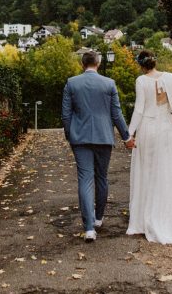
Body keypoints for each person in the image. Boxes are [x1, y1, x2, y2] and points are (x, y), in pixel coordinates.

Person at [61, 49, 134, 242]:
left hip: (80, 138)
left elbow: (66, 114)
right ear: (98, 63)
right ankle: (99, 218)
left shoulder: (72, 83)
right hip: (103, 137)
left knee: (85, 180)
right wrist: (126, 137)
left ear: (82, 64)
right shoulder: (109, 83)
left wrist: (70, 134)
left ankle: (89, 229)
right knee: (101, 177)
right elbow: (116, 114)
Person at [126, 49, 172, 244]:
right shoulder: (170, 77)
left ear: (141, 65)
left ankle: (145, 218)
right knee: (167, 170)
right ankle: (169, 217)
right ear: (154, 62)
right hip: (166, 129)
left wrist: (129, 133)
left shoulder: (141, 81)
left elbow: (139, 109)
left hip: (148, 129)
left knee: (147, 171)